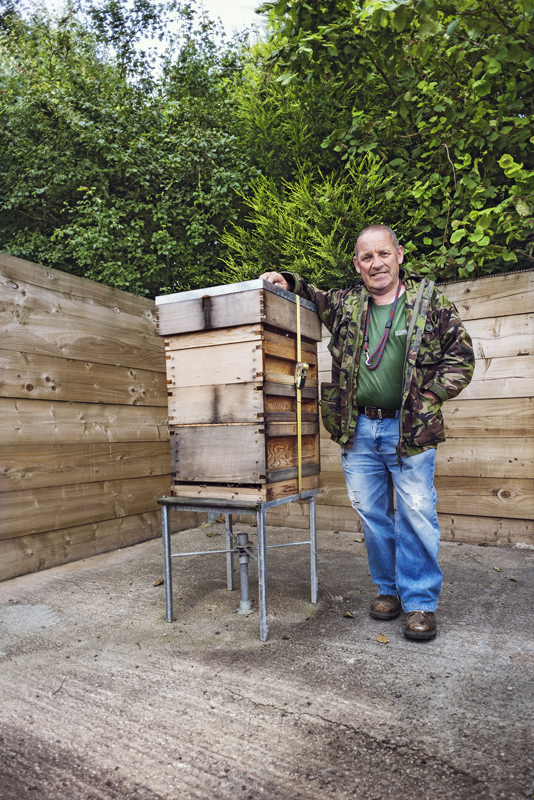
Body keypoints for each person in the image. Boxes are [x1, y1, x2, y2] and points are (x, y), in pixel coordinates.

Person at [260, 224, 475, 640]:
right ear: (357, 265)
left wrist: (427, 398)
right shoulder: (346, 304)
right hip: (358, 429)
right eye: (366, 257)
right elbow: (313, 296)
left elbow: (462, 359)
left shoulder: (429, 303)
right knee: (373, 516)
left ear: (398, 255)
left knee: (416, 516)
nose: (376, 263)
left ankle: (420, 603)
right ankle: (389, 589)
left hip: (410, 430)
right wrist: (287, 280)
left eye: (383, 253)